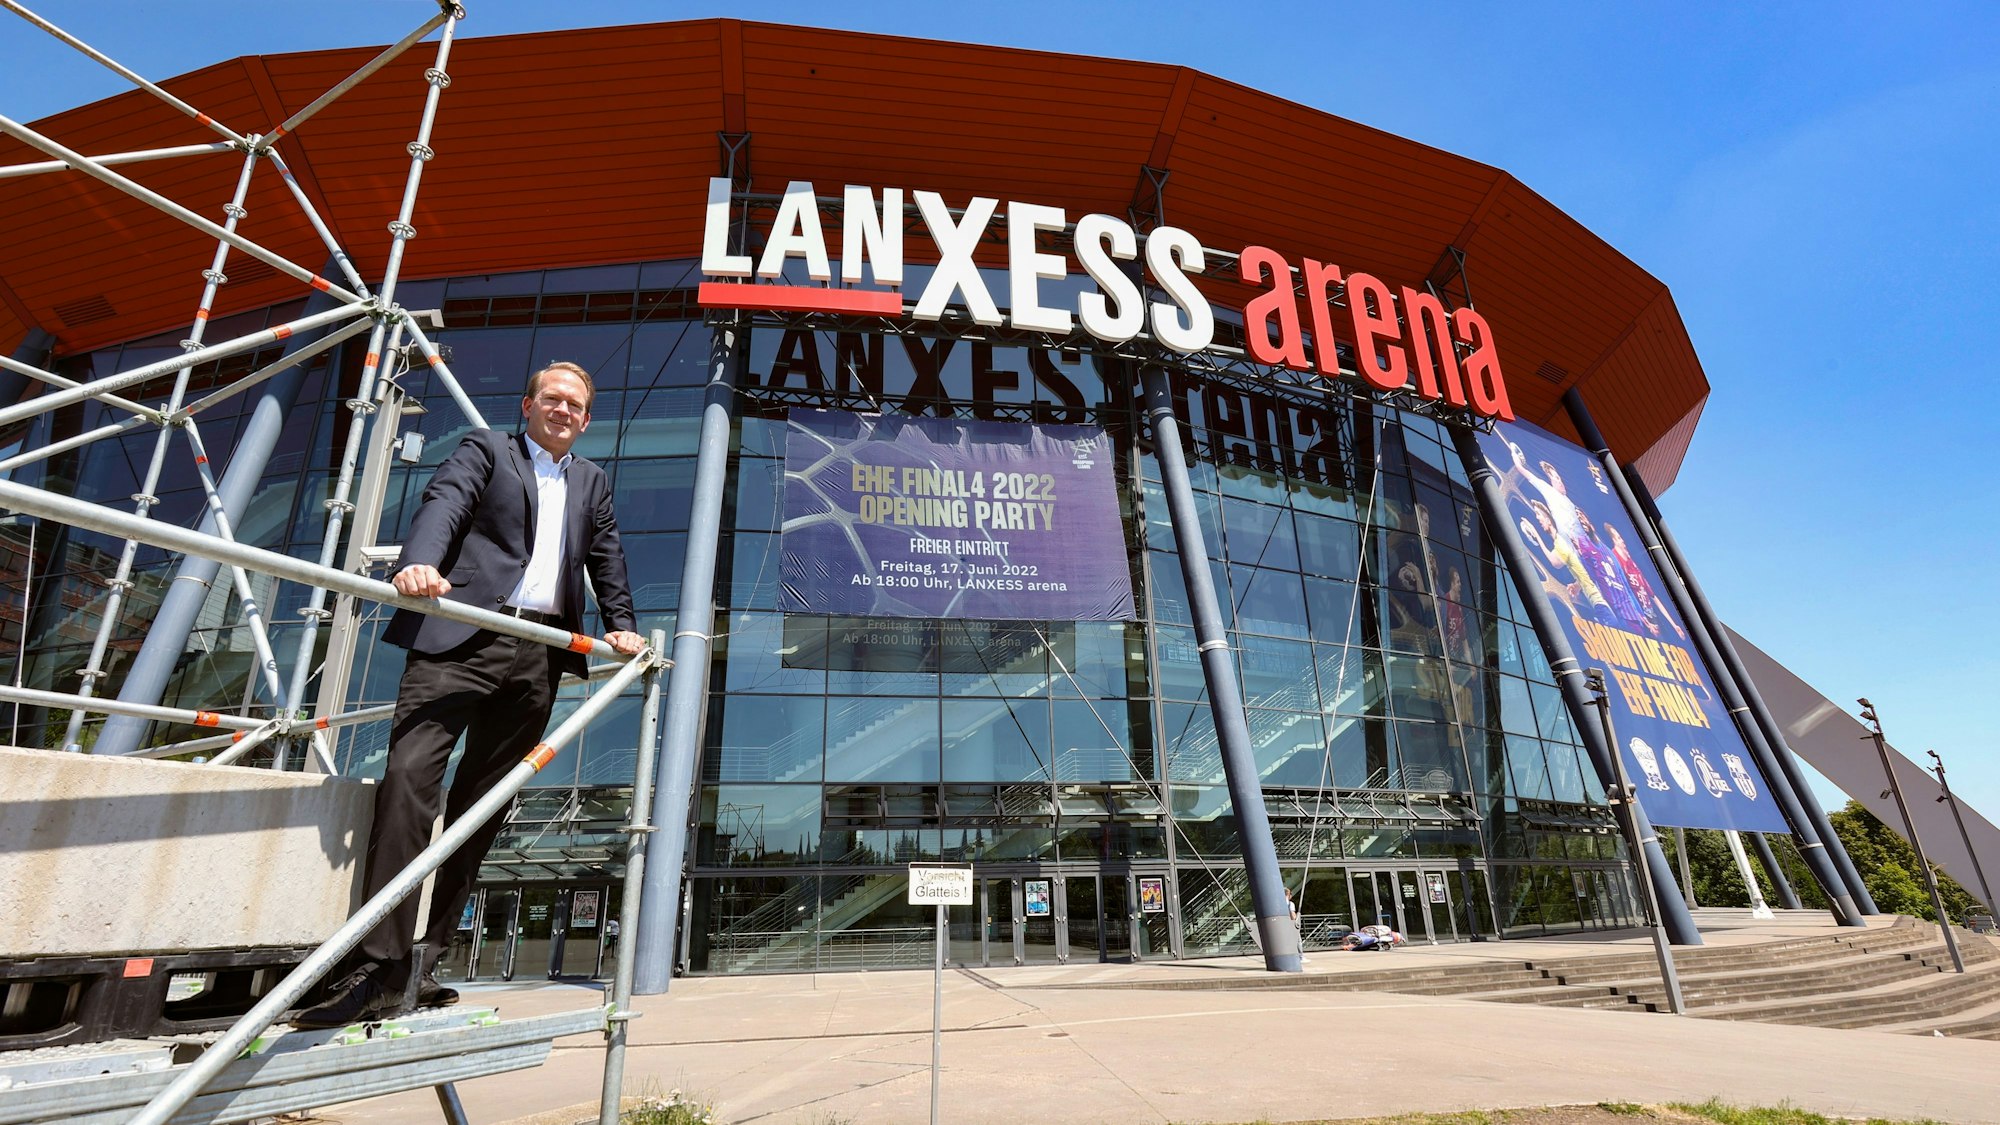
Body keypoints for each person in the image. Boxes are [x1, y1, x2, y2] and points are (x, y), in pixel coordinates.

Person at [296, 361, 643, 1027]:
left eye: (575, 404)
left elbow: (607, 556)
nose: (563, 410)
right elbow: (445, 503)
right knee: (408, 782)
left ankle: (426, 960)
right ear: (529, 403)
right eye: (552, 399)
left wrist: (622, 626)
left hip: (537, 655)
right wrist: (417, 563)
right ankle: (377, 961)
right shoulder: (489, 449)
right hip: (459, 633)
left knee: (481, 809)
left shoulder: (592, 481)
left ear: (586, 418)